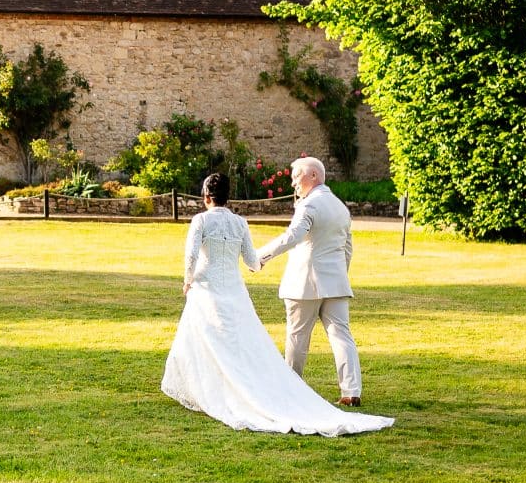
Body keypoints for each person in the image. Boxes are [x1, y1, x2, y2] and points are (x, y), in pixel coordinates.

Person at [162, 173, 392, 436]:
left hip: (207, 287)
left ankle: (209, 388)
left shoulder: (201, 220)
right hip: (234, 290)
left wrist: (187, 281)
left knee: (207, 338)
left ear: (205, 197)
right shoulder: (239, 222)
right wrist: (256, 264)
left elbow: (191, 255)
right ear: (228, 197)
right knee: (237, 341)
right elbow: (251, 260)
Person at [256, 156, 367, 407]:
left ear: (313, 175)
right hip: (336, 283)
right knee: (342, 336)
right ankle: (351, 391)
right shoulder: (340, 207)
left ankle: (290, 389)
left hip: (304, 282)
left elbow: (292, 237)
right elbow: (347, 248)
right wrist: (339, 274)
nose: (293, 183)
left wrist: (260, 257)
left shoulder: (309, 205)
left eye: (297, 177)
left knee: (297, 337)